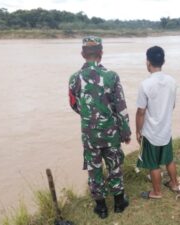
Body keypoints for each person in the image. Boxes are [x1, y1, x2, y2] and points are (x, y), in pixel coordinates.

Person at [68, 36, 131, 219]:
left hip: (90, 134)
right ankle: (119, 203)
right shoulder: (112, 76)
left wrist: (88, 114)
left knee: (94, 168)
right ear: (101, 54)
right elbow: (121, 106)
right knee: (115, 165)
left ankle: (101, 208)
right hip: (111, 133)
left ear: (82, 54)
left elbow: (73, 104)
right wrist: (125, 131)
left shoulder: (74, 78)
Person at [135, 46, 179, 199]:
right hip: (166, 129)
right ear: (163, 61)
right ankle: (174, 184)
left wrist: (138, 131)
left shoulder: (145, 84)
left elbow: (141, 112)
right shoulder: (172, 81)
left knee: (153, 164)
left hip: (151, 132)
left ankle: (156, 192)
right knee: (169, 159)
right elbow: (172, 105)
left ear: (148, 62)